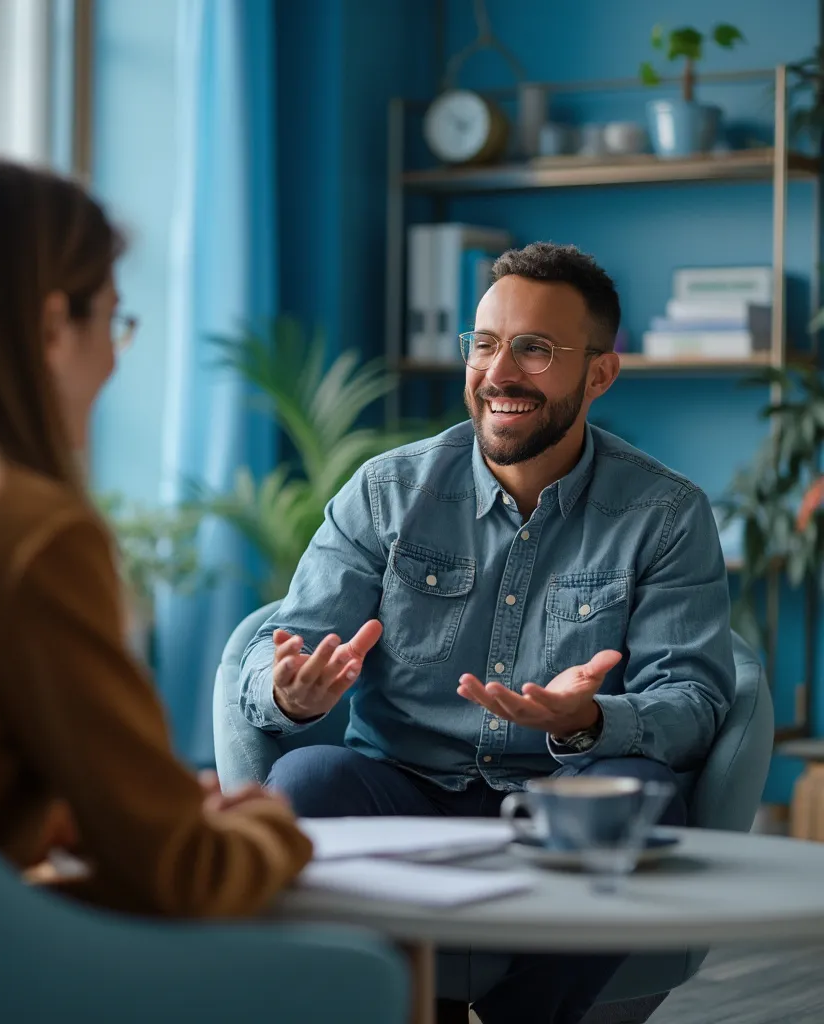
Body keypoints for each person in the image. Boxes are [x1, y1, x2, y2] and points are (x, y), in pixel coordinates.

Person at [0, 152, 311, 917]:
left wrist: (86, 814)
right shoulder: (30, 538)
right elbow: (187, 876)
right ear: (50, 326)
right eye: (112, 319)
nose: (112, 354)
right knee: (359, 970)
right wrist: (276, 822)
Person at [238, 242, 736, 1023]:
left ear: (599, 373)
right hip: (404, 789)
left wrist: (592, 721)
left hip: (557, 797)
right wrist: (290, 694)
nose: (499, 373)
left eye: (535, 349)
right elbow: (287, 650)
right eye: (485, 343)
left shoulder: (665, 516)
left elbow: (696, 698)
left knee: (646, 795)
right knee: (305, 783)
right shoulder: (386, 493)